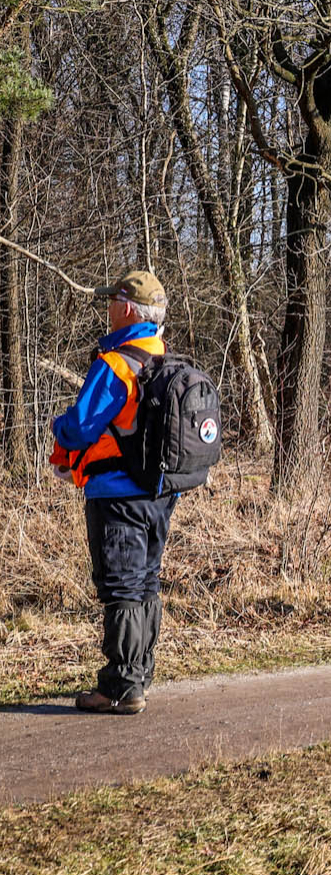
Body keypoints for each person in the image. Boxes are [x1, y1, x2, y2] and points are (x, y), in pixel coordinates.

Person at [48, 271, 175, 714]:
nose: (108, 309)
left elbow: (81, 427)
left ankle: (120, 687)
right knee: (145, 583)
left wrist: (58, 426)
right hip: (158, 493)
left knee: (121, 586)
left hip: (116, 493)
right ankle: (139, 675)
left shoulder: (117, 363)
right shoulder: (163, 357)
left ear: (126, 309)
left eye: (112, 302)